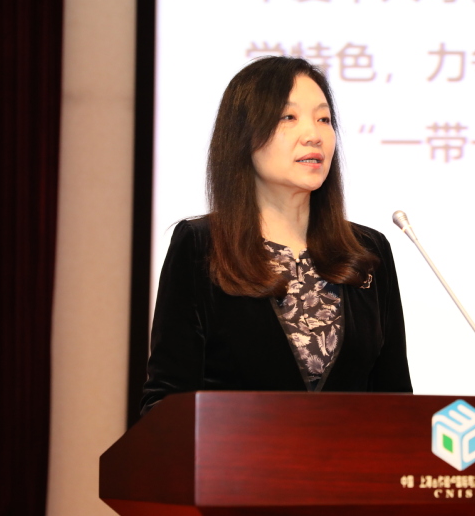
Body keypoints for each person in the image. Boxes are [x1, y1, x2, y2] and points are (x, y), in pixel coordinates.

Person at [141, 56, 412, 415]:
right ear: (244, 135)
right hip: (234, 452)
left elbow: (395, 402)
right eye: (288, 117)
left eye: (323, 119)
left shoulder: (366, 251)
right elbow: (165, 403)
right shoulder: (202, 245)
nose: (313, 135)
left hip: (350, 453)